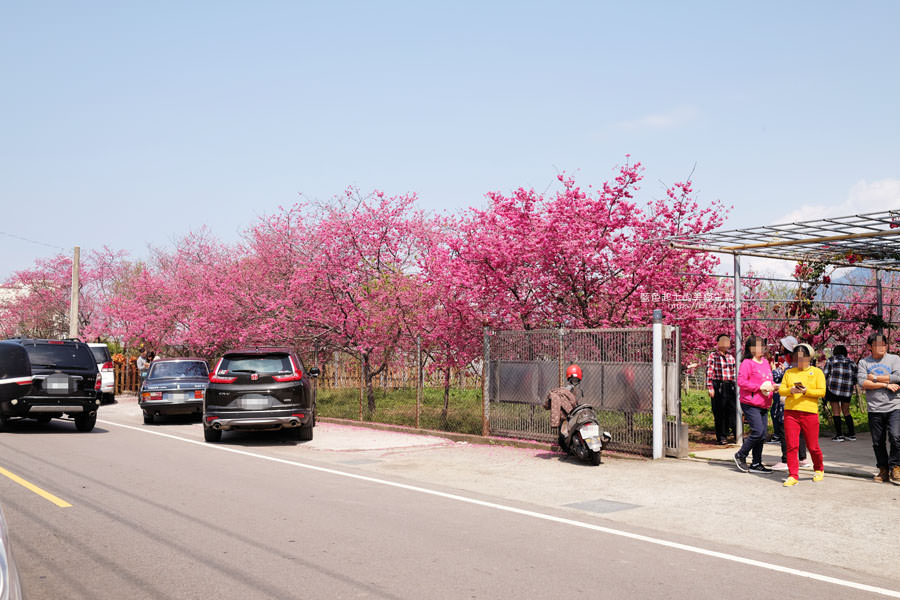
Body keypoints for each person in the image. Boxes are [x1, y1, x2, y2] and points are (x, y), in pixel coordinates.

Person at [778, 344, 826, 487]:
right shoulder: (789, 372)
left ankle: (819, 468)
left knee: (813, 446)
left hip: (809, 413)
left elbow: (822, 392)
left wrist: (806, 391)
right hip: (791, 412)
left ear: (809, 358)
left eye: (802, 358)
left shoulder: (817, 372)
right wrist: (790, 390)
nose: (799, 361)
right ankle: (793, 475)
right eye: (796, 358)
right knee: (792, 445)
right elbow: (781, 390)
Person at [856, 333, 900, 484]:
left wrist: (874, 377)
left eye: (884, 344)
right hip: (874, 408)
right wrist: (885, 384)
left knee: (896, 436)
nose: (882, 347)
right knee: (877, 442)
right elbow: (862, 382)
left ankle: (895, 467)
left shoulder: (894, 359)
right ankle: (883, 469)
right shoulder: (863, 362)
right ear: (869, 347)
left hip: (895, 405)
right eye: (878, 345)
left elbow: (898, 377)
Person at [734, 336, 775, 473]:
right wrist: (759, 388)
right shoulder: (747, 363)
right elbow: (742, 382)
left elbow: (769, 380)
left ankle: (756, 463)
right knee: (757, 431)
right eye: (757, 346)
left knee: (762, 434)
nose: (761, 349)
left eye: (762, 346)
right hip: (750, 403)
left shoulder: (765, 362)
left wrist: (775, 387)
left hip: (764, 403)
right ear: (750, 348)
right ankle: (740, 454)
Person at [771, 336, 810, 471]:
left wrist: (776, 370)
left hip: (787, 403)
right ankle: (803, 458)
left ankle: (785, 460)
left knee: (785, 431)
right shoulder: (799, 365)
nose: (780, 348)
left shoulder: (788, 367)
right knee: (800, 431)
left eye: (782, 345)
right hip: (800, 403)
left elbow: (778, 380)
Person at [706, 334, 737, 445]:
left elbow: (734, 372)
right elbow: (709, 372)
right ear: (718, 343)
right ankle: (722, 436)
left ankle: (735, 433)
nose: (725, 343)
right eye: (723, 341)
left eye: (727, 341)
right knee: (719, 412)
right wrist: (710, 387)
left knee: (733, 410)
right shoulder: (713, 356)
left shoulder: (731, 357)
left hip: (730, 385)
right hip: (718, 385)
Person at [823, 345, 858, 442]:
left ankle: (839, 435)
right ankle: (851, 434)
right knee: (846, 411)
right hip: (847, 390)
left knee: (836, 411)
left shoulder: (831, 360)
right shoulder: (852, 362)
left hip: (833, 388)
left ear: (835, 352)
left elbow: (824, 374)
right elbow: (856, 378)